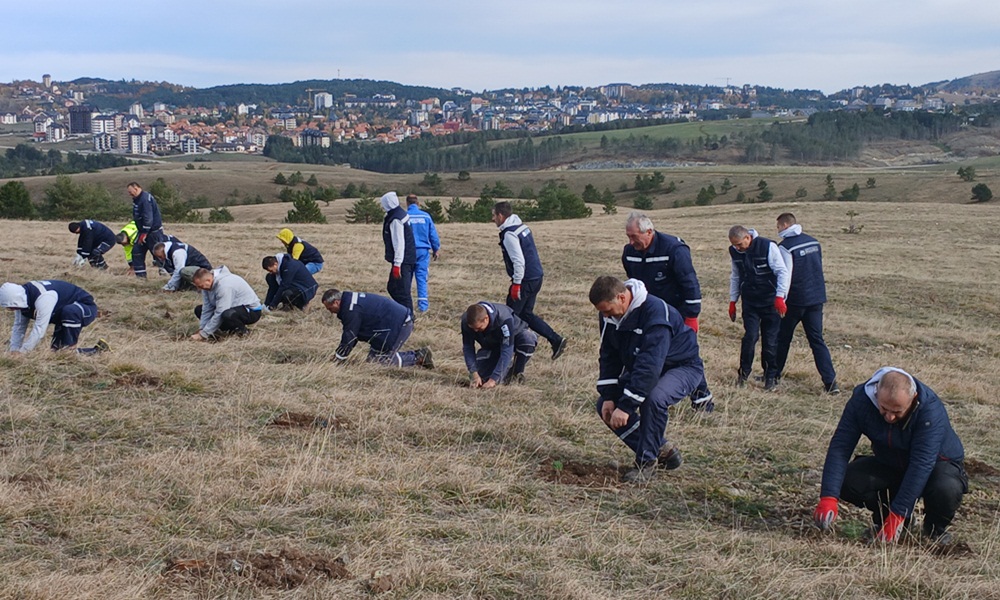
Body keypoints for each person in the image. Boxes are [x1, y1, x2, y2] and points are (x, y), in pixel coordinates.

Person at [813, 368, 967, 545]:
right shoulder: (861, 402)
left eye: (898, 411)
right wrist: (828, 496)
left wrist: (899, 512)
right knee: (847, 481)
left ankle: (934, 530)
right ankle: (889, 520)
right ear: (876, 393)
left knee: (946, 487)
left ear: (913, 398)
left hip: (936, 465)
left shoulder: (930, 410)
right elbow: (840, 447)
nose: (890, 416)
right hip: (891, 462)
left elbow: (921, 464)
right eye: (884, 408)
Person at [590, 276, 706, 483]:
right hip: (646, 367)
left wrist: (626, 407)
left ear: (622, 297)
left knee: (653, 399)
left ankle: (646, 463)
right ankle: (661, 449)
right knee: (605, 406)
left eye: (607, 310)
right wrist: (609, 396)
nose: (604, 315)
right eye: (601, 311)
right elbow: (609, 356)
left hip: (682, 366)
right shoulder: (609, 317)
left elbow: (650, 366)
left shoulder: (656, 314)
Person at [622, 211, 713, 410]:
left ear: (649, 232)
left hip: (676, 313)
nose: (630, 242)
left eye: (634, 236)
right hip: (648, 313)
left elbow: (690, 283)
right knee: (649, 351)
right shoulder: (629, 253)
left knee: (684, 355)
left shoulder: (674, 249)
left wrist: (691, 316)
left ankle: (701, 397)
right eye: (628, 236)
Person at [492, 201, 567, 360]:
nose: (493, 219)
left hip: (525, 280)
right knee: (526, 314)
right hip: (536, 276)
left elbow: (519, 260)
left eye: (493, 215)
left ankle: (506, 354)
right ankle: (555, 340)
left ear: (500, 215)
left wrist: (517, 284)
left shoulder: (509, 234)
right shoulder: (522, 227)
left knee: (509, 318)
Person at [774, 213, 838, 394]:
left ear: (785, 225)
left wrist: (780, 298)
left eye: (778, 226)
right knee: (817, 341)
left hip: (795, 300)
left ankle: (774, 374)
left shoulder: (785, 247)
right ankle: (831, 383)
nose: (777, 230)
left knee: (783, 338)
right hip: (816, 298)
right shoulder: (813, 242)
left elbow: (785, 275)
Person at [728, 224, 790, 390]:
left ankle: (770, 377)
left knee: (770, 341)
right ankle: (743, 374)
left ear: (748, 238)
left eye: (740, 244)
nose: (737, 248)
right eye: (734, 245)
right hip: (750, 302)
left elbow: (782, 271)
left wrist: (780, 296)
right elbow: (736, 276)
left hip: (770, 302)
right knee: (750, 337)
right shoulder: (735, 252)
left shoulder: (768, 247)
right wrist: (733, 300)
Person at [321, 288, 433, 368]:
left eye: (330, 308)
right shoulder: (350, 302)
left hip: (399, 325)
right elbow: (352, 336)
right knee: (372, 360)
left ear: (336, 302)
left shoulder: (351, 310)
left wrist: (339, 358)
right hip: (392, 323)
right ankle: (417, 356)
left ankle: (418, 357)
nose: (330, 312)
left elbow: (350, 336)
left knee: (380, 362)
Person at [1, 280, 109, 355]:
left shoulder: (44, 297)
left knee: (67, 351)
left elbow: (40, 329)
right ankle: (99, 351)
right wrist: (14, 350)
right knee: (56, 352)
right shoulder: (22, 302)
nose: (10, 310)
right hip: (62, 313)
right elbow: (19, 327)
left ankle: (72, 347)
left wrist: (23, 352)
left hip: (85, 309)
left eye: (10, 306)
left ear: (16, 300)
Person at [462, 301, 537, 388]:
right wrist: (473, 373)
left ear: (486, 318)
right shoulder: (466, 321)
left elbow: (507, 349)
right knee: (484, 379)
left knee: (528, 339)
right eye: (473, 328)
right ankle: (504, 371)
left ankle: (516, 372)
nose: (475, 331)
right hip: (492, 346)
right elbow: (468, 347)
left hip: (513, 340)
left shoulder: (504, 319)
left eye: (478, 328)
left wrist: (494, 379)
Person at [190, 267, 263, 340]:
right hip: (230, 308)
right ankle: (219, 332)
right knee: (199, 309)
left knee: (227, 314)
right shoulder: (206, 287)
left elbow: (220, 311)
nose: (199, 289)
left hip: (251, 311)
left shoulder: (224, 286)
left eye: (200, 286)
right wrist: (202, 329)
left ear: (208, 280)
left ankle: (243, 332)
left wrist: (203, 335)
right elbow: (207, 308)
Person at [380, 192, 416, 315]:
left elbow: (399, 243)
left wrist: (397, 264)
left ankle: (408, 317)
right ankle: (402, 313)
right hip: (408, 258)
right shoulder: (400, 213)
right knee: (394, 288)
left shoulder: (395, 219)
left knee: (401, 291)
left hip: (403, 261)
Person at [405, 194, 442, 313]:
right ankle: (423, 305)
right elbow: (433, 234)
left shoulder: (404, 217)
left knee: (407, 278)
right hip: (422, 251)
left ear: (407, 203)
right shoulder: (425, 216)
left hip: (407, 251)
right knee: (421, 277)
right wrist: (436, 248)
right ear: (418, 203)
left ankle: (406, 304)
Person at [126, 182, 166, 279]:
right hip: (143, 232)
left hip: (152, 233)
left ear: (136, 188)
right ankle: (141, 278)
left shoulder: (144, 199)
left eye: (131, 192)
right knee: (136, 252)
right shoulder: (138, 199)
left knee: (159, 254)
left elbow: (148, 217)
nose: (129, 194)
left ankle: (166, 276)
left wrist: (144, 233)